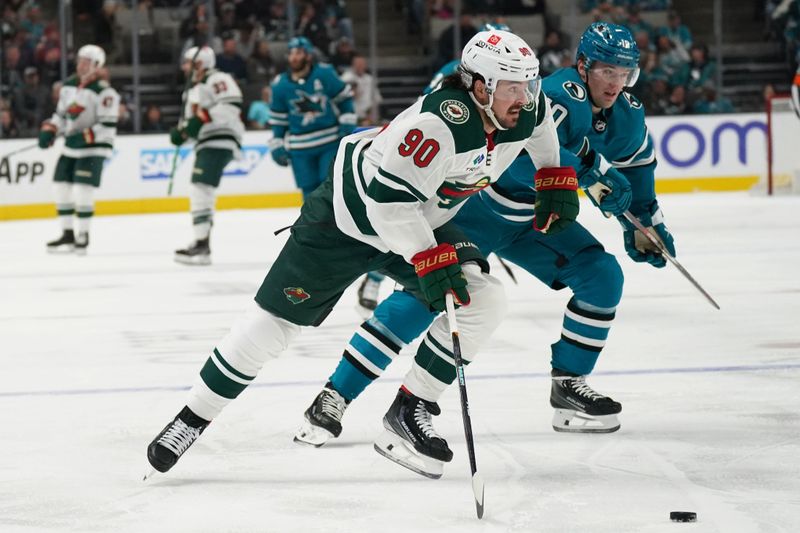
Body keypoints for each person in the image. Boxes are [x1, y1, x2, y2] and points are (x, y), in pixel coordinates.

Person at [146, 29, 579, 480]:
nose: (525, 96)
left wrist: (552, 172)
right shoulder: (434, 125)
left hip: (418, 218)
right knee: (271, 327)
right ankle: (191, 419)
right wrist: (426, 258)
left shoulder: (524, 107)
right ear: (479, 86)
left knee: (482, 299)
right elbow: (386, 204)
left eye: (529, 84)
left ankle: (410, 409)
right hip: (347, 220)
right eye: (512, 87)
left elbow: (542, 119)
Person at [294, 23, 678, 450]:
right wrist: (589, 173)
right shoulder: (551, 93)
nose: (616, 82)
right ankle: (335, 395)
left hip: (536, 220)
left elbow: (638, 168)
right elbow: (518, 162)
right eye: (608, 71)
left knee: (603, 276)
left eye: (625, 73)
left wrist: (644, 222)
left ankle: (569, 386)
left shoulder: (627, 112)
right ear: (583, 66)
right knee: (431, 293)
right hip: (478, 210)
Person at [39, 44, 119, 255]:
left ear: (96, 65)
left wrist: (83, 136)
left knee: (83, 189)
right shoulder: (68, 86)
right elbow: (62, 115)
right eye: (80, 60)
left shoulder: (104, 92)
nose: (81, 64)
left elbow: (107, 125)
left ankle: (83, 235)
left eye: (87, 61)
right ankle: (67, 233)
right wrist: (50, 129)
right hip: (72, 146)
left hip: (94, 148)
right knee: (60, 186)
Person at [170, 46, 245, 266]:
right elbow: (193, 122)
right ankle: (202, 241)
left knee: (200, 188)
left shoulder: (218, 78)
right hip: (207, 142)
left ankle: (202, 244)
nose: (185, 67)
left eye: (188, 62)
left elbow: (231, 106)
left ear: (200, 63)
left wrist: (199, 119)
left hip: (220, 139)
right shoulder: (192, 89)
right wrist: (183, 132)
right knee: (203, 190)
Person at [267, 36, 357, 199]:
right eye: (291, 53)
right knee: (308, 191)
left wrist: (347, 119)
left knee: (329, 184)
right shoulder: (280, 85)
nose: (294, 57)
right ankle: (313, 225)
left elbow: (344, 98)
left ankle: (333, 223)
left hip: (329, 142)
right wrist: (277, 141)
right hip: (300, 148)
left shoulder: (324, 73)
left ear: (308, 55)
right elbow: (279, 119)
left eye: (299, 53)